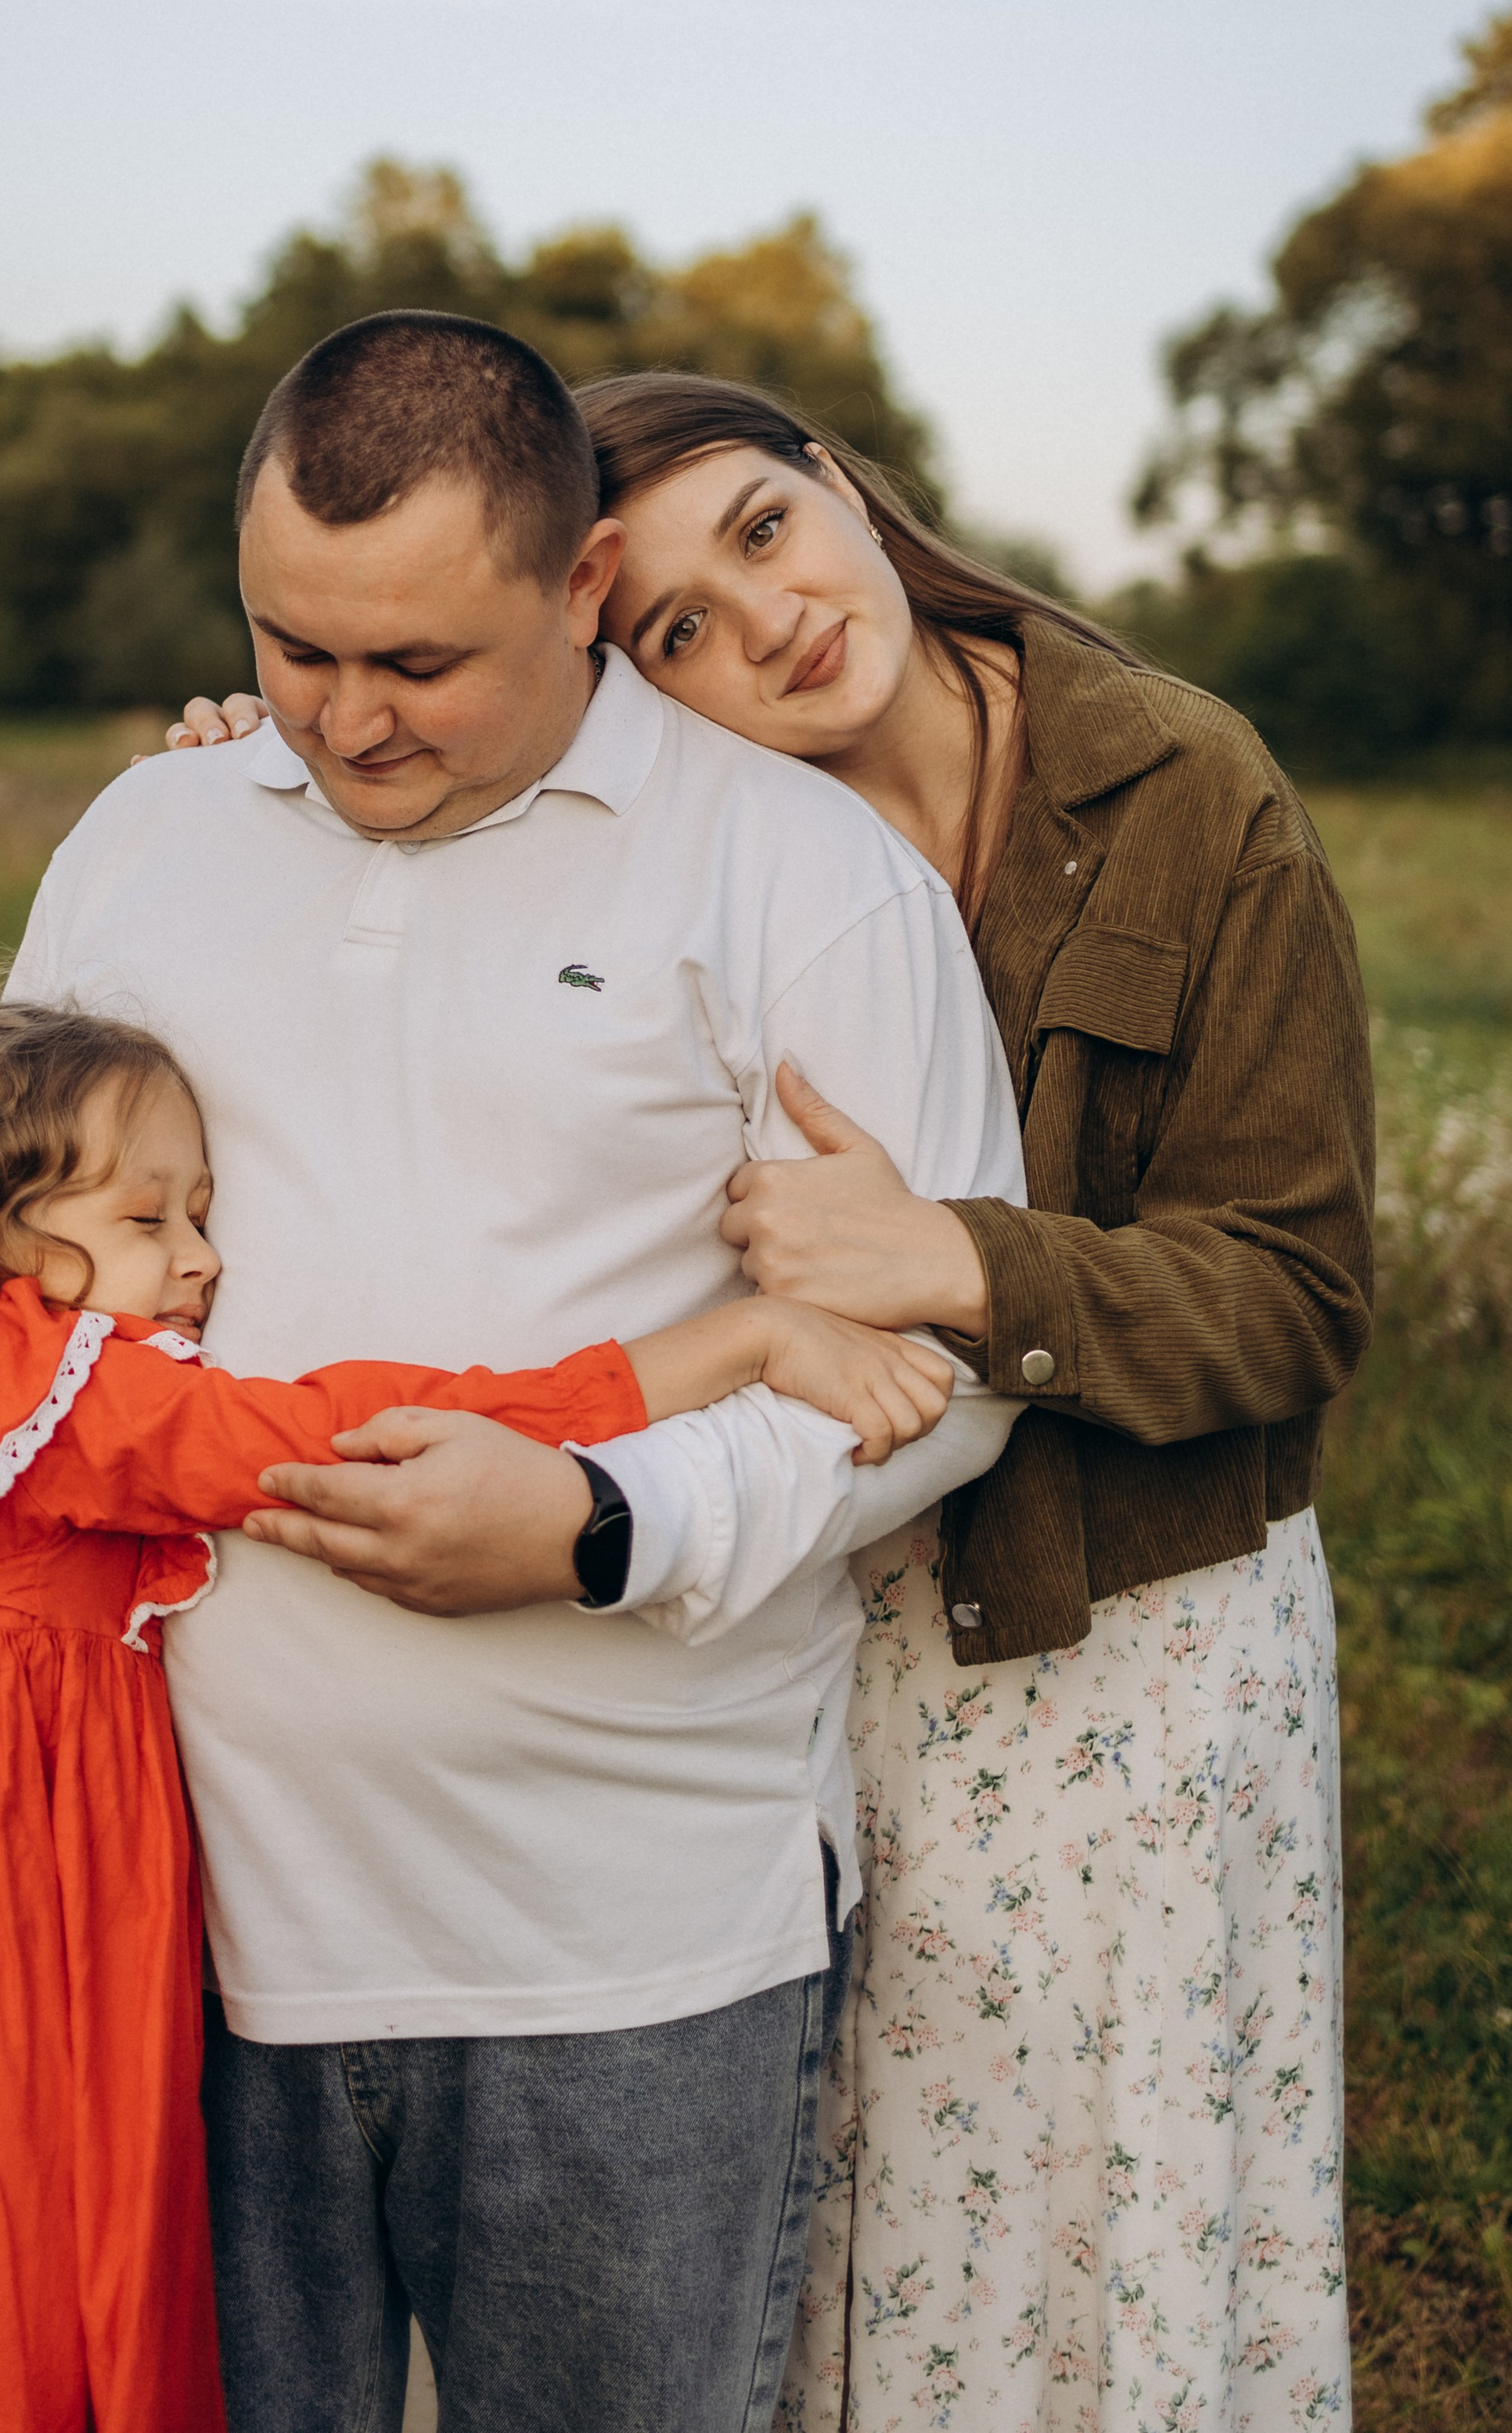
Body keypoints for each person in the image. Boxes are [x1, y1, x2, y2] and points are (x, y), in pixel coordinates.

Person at [0, 309, 1028, 2433]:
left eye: (420, 663)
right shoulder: (149, 835)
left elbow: (941, 1367)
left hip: (623, 1942)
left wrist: (611, 1525)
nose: (345, 721)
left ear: (586, 583)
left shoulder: (799, 878)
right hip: (160, 1908)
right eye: (296, 647)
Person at [173, 368, 1375, 2431]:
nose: (770, 623)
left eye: (762, 532)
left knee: (1087, 2241)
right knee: (844, 2253)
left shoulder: (1183, 788)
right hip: (833, 1628)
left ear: (838, 476)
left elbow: (1295, 1293)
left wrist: (975, 1267)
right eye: (677, 633)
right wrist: (258, 767)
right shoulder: (711, 856)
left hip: (1110, 1641)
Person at [0, 994, 935, 2433]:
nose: (204, 1259)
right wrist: (735, 1343)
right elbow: (341, 1429)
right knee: (7, 2226)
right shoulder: (52, 1392)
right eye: (149, 1222)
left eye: (203, 1211)